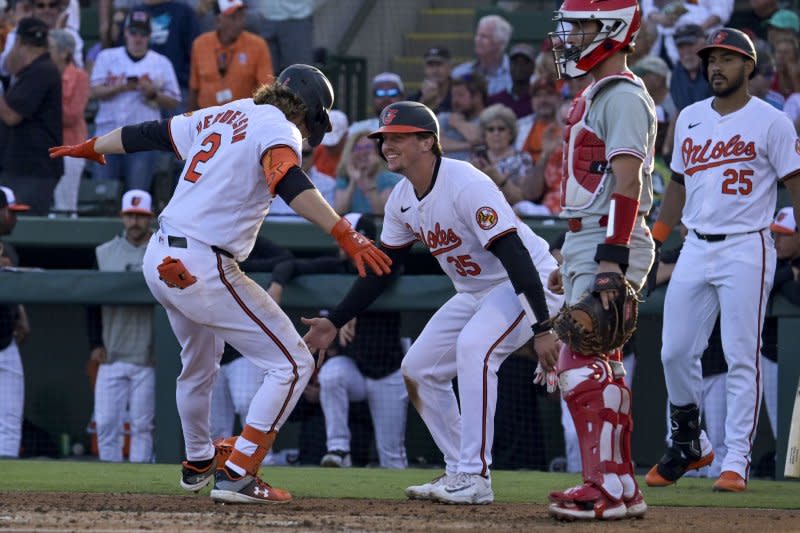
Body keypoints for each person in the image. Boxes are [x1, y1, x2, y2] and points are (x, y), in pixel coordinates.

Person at [49, 64, 391, 504]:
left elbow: (148, 133)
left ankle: (197, 461)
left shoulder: (227, 111)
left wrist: (96, 144)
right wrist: (344, 231)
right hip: (202, 261)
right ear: (309, 111)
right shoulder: (280, 126)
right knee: (293, 363)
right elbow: (288, 179)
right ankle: (239, 473)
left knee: (199, 365)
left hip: (160, 257)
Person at [302, 100, 563, 505]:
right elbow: (384, 268)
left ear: (427, 141)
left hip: (528, 285)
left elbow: (516, 257)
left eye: (398, 138)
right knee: (419, 368)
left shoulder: (466, 184)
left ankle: (476, 476)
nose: (387, 145)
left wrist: (541, 326)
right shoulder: (401, 199)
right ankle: (460, 468)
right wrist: (336, 320)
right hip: (476, 292)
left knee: (475, 349)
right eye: (384, 138)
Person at [646, 28, 800, 493]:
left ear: (749, 67)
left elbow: (795, 183)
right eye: (711, 59)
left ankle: (736, 460)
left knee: (740, 356)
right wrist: (657, 239)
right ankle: (692, 444)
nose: (717, 66)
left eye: (728, 59)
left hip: (747, 244)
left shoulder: (771, 120)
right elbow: (676, 185)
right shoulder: (689, 116)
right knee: (674, 352)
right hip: (695, 243)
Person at [545, 0, 656, 520]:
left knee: (577, 357)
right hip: (589, 237)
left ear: (611, 30)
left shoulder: (622, 95)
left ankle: (605, 487)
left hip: (609, 237)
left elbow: (628, 181)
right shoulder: (599, 93)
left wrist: (609, 259)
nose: (571, 38)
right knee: (601, 363)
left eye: (583, 27)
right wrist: (575, 255)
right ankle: (620, 487)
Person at [267, 213, 408, 469]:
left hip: (387, 372)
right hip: (353, 368)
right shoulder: (336, 266)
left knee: (392, 456)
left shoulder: (385, 265)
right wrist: (277, 284)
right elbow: (289, 266)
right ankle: (338, 448)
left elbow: (394, 269)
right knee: (332, 374)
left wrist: (353, 311)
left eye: (349, 239)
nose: (341, 246)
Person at [87, 189, 156, 463]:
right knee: (105, 423)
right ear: (122, 217)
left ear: (150, 217)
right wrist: (94, 344)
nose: (135, 221)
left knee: (142, 426)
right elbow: (90, 303)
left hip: (148, 356)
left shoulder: (163, 250)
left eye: (140, 216)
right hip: (111, 352)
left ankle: (138, 486)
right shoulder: (104, 253)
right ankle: (107, 479)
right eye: (130, 215)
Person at [89, 9, 181, 192]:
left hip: (142, 138)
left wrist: (153, 94)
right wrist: (121, 87)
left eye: (143, 33)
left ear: (150, 36)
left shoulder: (161, 62)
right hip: (107, 134)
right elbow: (93, 91)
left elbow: (174, 100)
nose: (138, 38)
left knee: (136, 194)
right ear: (125, 33)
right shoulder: (107, 57)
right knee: (103, 194)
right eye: (134, 32)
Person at [0, 16, 61, 215]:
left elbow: (11, 115)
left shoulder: (41, 71)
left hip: (33, 169)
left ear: (18, 42)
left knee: (23, 226)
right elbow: (10, 67)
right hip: (25, 167)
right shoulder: (37, 70)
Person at [188, 0, 273, 111]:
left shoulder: (258, 45)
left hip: (244, 116)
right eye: (233, 18)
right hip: (208, 118)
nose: (240, 23)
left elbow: (266, 88)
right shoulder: (200, 44)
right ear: (218, 20)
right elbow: (194, 88)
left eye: (241, 17)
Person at [0, 186, 29, 458]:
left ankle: (10, 491)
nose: (14, 219)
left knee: (9, 420)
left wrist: (21, 314)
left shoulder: (9, 249)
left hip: (6, 341)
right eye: (11, 213)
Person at [49, 28, 87, 215]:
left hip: (71, 148)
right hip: (47, 147)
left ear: (65, 52)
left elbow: (72, 115)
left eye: (51, 48)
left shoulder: (79, 77)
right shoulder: (44, 74)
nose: (46, 52)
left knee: (65, 205)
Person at [470, 103, 529, 207]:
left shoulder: (523, 159)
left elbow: (521, 199)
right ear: (485, 135)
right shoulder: (476, 157)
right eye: (490, 129)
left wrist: (497, 178)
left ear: (510, 134)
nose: (496, 133)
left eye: (501, 129)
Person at [333, 129, 400, 216]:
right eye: (358, 148)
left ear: (376, 151)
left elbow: (383, 214)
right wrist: (353, 181)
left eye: (368, 147)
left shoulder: (389, 178)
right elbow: (339, 211)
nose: (363, 152)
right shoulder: (344, 179)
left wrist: (368, 179)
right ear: (350, 152)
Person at [451, 14, 512, 97]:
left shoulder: (514, 73)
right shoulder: (460, 73)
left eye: (484, 36)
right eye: (477, 35)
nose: (478, 40)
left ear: (499, 43)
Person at [437, 73, 486, 161]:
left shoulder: (489, 118)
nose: (455, 101)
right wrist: (469, 145)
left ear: (477, 97)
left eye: (460, 95)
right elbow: (434, 143)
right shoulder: (444, 117)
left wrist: (459, 124)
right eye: (453, 95)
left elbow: (476, 138)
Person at [670, 24, 712, 113]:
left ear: (705, 43)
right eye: (681, 47)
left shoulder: (716, 70)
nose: (686, 51)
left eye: (690, 45)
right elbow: (678, 112)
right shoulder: (676, 73)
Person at [487, 43, 536, 119]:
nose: (519, 66)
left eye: (525, 62)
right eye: (515, 62)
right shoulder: (496, 100)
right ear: (509, 66)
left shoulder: (537, 101)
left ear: (533, 67)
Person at [408, 46, 452, 114]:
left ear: (449, 67)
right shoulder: (413, 99)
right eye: (430, 65)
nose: (435, 70)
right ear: (425, 69)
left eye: (439, 64)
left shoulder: (458, 96)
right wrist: (424, 102)